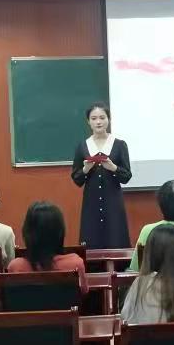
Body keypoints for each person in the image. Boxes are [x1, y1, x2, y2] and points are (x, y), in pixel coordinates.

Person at [70, 102, 132, 250]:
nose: (98, 122)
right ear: (88, 121)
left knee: (116, 242)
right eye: (94, 118)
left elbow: (126, 177)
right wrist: (85, 169)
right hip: (91, 204)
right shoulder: (83, 146)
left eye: (102, 118)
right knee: (91, 244)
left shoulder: (119, 145)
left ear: (108, 119)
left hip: (113, 203)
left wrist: (113, 168)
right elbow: (77, 179)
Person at [6, 201, 87, 292]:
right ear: (60, 232)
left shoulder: (15, 267)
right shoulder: (75, 264)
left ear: (27, 233)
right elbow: (83, 293)